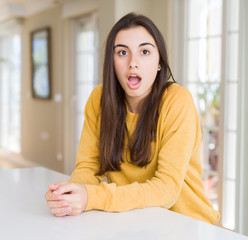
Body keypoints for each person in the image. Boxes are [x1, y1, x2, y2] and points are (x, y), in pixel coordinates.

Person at [44, 12, 219, 224]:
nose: (133, 62)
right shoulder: (99, 99)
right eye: (122, 52)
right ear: (112, 61)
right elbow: (89, 167)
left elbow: (166, 189)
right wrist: (71, 194)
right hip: (132, 221)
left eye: (144, 51)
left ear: (159, 63)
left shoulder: (178, 102)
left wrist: (91, 197)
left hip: (187, 224)